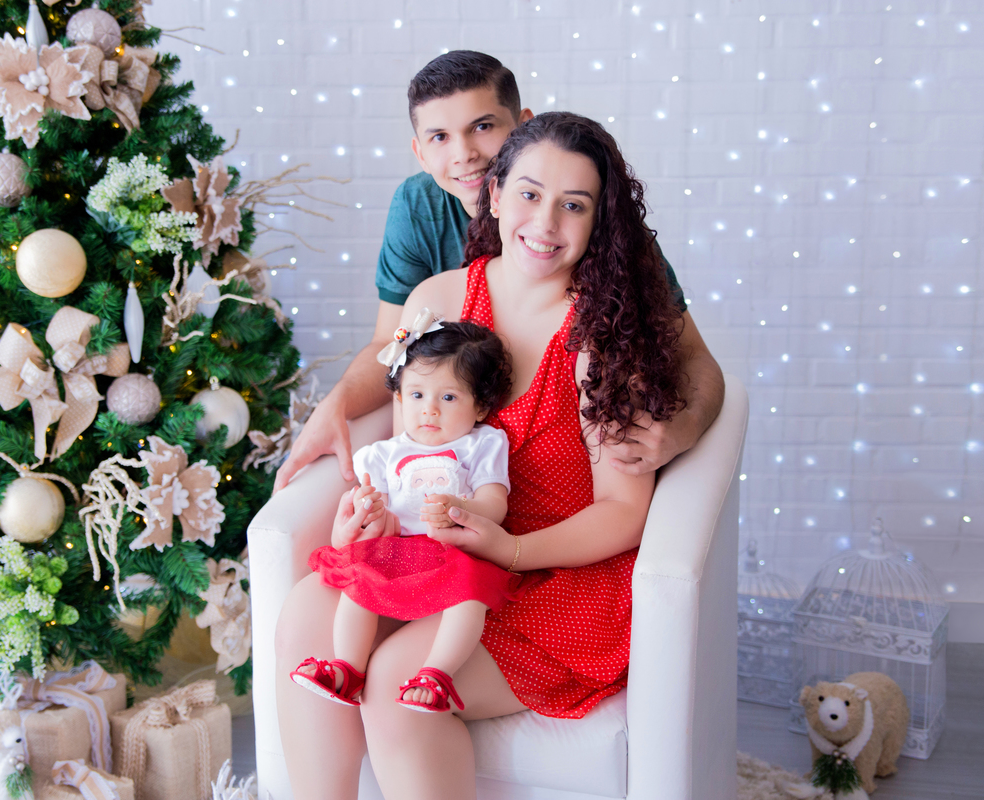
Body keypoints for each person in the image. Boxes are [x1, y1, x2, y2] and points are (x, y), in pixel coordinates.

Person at [276, 112, 686, 799]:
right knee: (308, 613)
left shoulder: (604, 335)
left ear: (599, 221)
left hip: (552, 570)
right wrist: (366, 509)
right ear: (494, 196)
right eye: (528, 194)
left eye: (573, 205)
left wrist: (509, 548)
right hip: (437, 549)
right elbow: (405, 435)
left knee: (400, 684)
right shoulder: (439, 300)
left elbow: (623, 512)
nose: (546, 222)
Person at [273, 50, 723, 493]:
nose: (464, 154)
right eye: (439, 137)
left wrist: (685, 427)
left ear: (522, 125)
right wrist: (337, 403)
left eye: (482, 127)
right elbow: (390, 343)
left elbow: (694, 356)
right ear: (420, 151)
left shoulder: (601, 234)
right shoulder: (417, 207)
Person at [290, 316, 545, 713]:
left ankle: (437, 673)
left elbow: (495, 504)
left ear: (479, 407)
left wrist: (461, 510)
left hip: (454, 553)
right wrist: (370, 513)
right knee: (359, 581)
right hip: (399, 553)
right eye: (417, 395)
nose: (430, 410)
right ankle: (348, 668)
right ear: (399, 399)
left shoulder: (480, 445)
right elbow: (384, 520)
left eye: (448, 398)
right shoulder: (383, 455)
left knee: (470, 596)